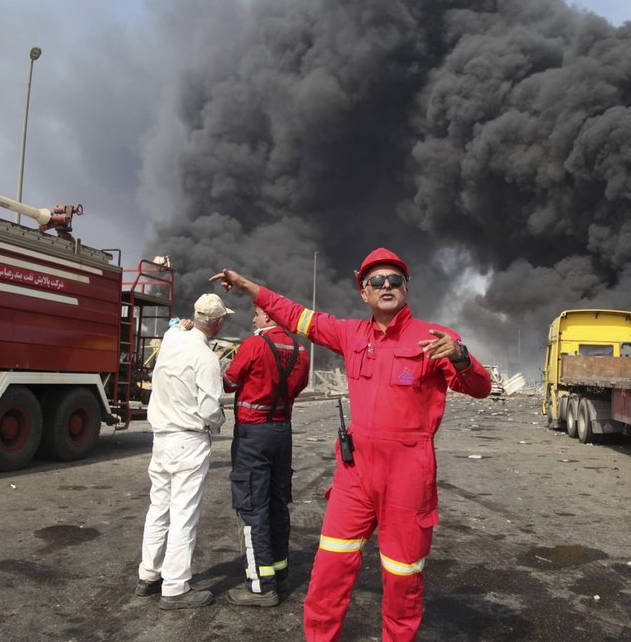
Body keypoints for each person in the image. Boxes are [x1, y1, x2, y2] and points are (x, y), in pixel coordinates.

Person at [210, 247, 492, 641]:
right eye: (376, 281)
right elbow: (294, 315)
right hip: (355, 475)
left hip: (408, 476)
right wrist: (247, 287)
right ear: (364, 293)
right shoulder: (349, 334)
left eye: (395, 280)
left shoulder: (436, 339)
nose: (386, 286)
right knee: (329, 571)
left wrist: (462, 358)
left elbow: (480, 388)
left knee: (401, 579)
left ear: (406, 289)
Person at [135, 293, 233, 610]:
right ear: (218, 324)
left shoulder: (172, 337)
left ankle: (149, 576)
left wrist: (182, 324)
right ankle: (175, 588)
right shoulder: (206, 359)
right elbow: (209, 408)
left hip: (160, 438)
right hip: (188, 440)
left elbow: (176, 325)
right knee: (184, 514)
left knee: (158, 508)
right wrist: (219, 420)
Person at [222, 305, 310, 607]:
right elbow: (299, 386)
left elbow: (229, 381)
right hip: (282, 432)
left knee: (251, 508)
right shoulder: (301, 349)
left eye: (257, 314)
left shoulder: (255, 344)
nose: (253, 318)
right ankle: (280, 576)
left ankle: (260, 586)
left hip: (253, 436)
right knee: (276, 505)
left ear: (270, 318)